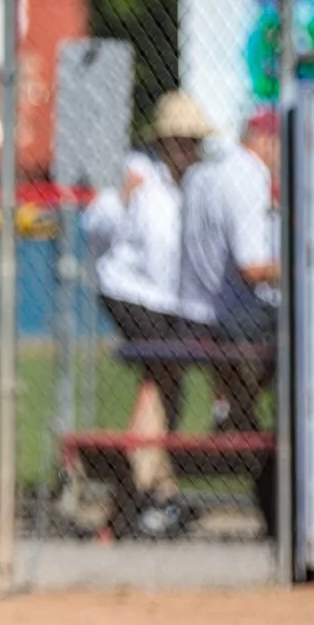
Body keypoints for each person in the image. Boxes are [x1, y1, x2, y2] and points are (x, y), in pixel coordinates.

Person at [80, 90, 213, 538]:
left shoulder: (193, 185)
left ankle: (153, 488)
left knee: (165, 384)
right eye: (178, 140)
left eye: (192, 141)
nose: (186, 149)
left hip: (168, 303)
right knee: (164, 373)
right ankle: (144, 493)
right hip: (129, 292)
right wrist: (119, 197)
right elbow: (93, 225)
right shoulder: (138, 173)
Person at [179, 107, 281, 434]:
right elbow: (251, 268)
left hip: (193, 308)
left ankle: (236, 410)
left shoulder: (203, 172)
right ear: (266, 141)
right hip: (228, 316)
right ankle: (249, 415)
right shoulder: (249, 175)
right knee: (308, 325)